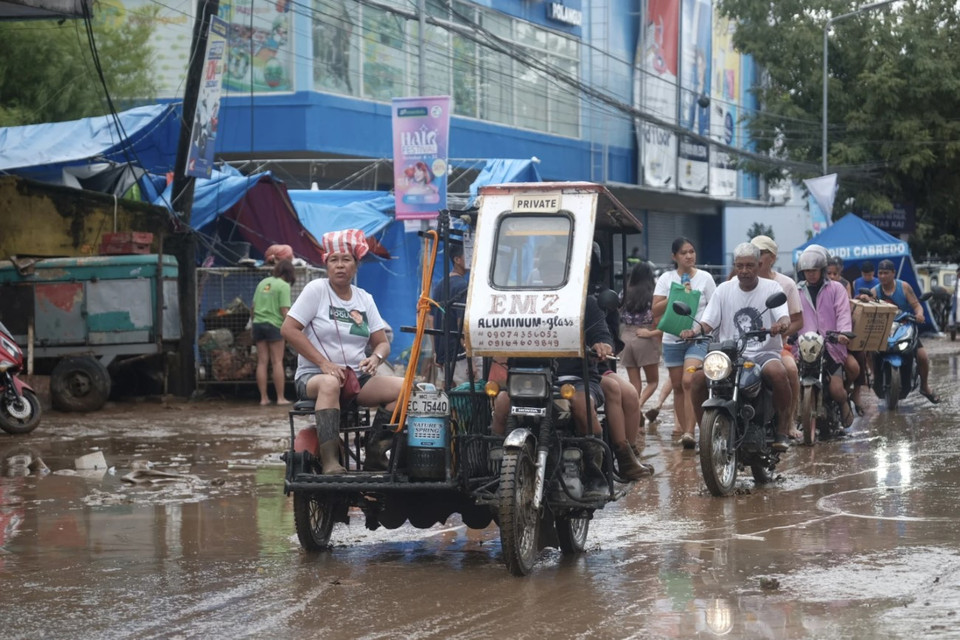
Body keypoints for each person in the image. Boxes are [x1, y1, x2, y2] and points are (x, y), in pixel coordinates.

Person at [281, 229, 404, 474]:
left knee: (406, 388)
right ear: (326, 264)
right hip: (314, 376)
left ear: (356, 265)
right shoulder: (316, 290)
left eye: (346, 260)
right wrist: (324, 363)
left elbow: (382, 343)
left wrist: (375, 358)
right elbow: (289, 329)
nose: (339, 265)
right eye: (333, 260)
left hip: (355, 379)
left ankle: (376, 452)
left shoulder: (364, 298)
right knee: (329, 383)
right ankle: (330, 462)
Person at [681, 242, 794, 451]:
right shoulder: (724, 290)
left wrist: (782, 325)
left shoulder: (772, 288)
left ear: (759, 265)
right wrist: (694, 331)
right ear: (734, 265)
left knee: (778, 373)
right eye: (739, 265)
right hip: (729, 354)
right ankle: (706, 435)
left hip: (763, 353)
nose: (744, 271)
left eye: (749, 265)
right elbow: (708, 322)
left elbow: (784, 316)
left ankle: (783, 430)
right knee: (696, 379)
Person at [652, 237, 717, 448]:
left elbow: (714, 308)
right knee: (678, 386)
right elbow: (655, 310)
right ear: (674, 257)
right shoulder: (666, 279)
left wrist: (700, 330)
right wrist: (676, 293)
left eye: (691, 251)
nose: (689, 256)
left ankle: (690, 432)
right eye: (683, 253)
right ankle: (683, 430)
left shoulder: (706, 278)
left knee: (689, 381)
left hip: (698, 338)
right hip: (671, 339)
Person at [860, 259, 941, 404]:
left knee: (922, 356)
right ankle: (873, 374)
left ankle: (924, 387)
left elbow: (917, 306)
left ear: (893, 273)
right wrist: (865, 299)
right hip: (883, 330)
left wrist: (920, 314)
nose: (883, 276)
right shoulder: (875, 291)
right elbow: (868, 306)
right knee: (868, 349)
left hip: (905, 328)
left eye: (886, 273)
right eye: (880, 273)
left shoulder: (904, 287)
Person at [796, 247, 858, 428]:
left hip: (831, 345)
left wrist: (843, 333)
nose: (810, 274)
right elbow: (791, 314)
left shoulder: (836, 288)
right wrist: (788, 334)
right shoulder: (797, 290)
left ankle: (844, 403)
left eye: (814, 270)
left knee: (837, 390)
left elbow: (843, 313)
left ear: (822, 270)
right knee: (792, 383)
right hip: (804, 347)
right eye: (807, 271)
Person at [750, 236, 804, 438]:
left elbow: (798, 321)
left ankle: (788, 422)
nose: (756, 257)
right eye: (753, 252)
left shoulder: (786, 284)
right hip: (743, 347)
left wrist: (781, 330)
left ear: (772, 258)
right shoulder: (737, 281)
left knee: (791, 370)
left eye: (761, 253)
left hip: (776, 347)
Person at [430, 243, 478, 388]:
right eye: (467, 256)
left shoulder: (440, 284)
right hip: (459, 354)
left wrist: (436, 352)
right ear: (457, 260)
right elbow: (461, 323)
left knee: (448, 395)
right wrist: (471, 361)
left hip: (444, 354)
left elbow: (431, 320)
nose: (471, 259)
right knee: (466, 395)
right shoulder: (462, 286)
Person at [619, 260, 662, 423]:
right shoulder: (653, 295)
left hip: (625, 337)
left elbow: (617, 310)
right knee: (653, 381)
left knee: (634, 384)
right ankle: (637, 407)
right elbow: (658, 317)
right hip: (645, 336)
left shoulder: (624, 292)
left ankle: (633, 417)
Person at [252, 259, 296, 405]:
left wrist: (254, 321)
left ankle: (263, 398)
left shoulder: (263, 283)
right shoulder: (283, 286)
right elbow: (284, 310)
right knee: (277, 361)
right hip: (274, 325)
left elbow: (253, 306)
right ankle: (280, 398)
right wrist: (292, 329)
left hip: (258, 324)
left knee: (262, 362)